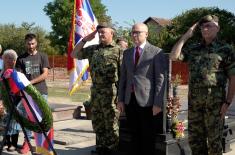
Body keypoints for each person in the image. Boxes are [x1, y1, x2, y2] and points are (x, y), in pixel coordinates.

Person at [170, 15, 235, 155]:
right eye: (202, 27)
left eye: (208, 26)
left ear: (217, 28)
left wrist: (228, 102)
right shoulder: (194, 49)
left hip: (215, 105)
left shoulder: (225, 49)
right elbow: (174, 57)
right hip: (195, 105)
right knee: (195, 141)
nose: (204, 29)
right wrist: (186, 36)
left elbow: (233, 77)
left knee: (214, 143)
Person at [71, 22, 123, 155]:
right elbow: (74, 54)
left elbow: (123, 75)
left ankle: (113, 150)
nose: (100, 35)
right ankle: (101, 148)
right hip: (96, 92)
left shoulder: (118, 50)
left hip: (111, 92)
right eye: (99, 32)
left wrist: (120, 98)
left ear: (112, 33)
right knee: (98, 122)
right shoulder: (93, 49)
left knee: (111, 123)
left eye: (103, 32)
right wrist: (84, 40)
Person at [117, 23, 166, 155]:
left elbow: (160, 80)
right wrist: (120, 99)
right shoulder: (127, 53)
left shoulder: (156, 52)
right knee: (134, 135)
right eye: (133, 32)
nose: (134, 35)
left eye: (138, 32)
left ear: (146, 34)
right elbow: (123, 78)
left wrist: (157, 103)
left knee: (148, 136)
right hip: (130, 100)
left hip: (148, 102)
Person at [15, 33, 53, 154]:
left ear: (36, 43)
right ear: (25, 43)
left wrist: (30, 83)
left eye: (33, 43)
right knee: (28, 118)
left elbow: (45, 74)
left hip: (41, 92)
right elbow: (19, 77)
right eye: (28, 43)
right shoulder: (21, 58)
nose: (31, 46)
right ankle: (28, 142)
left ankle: (43, 147)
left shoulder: (43, 56)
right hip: (27, 94)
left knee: (42, 119)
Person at [0, 49, 21, 152]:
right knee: (4, 122)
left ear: (15, 61)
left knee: (14, 123)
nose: (9, 60)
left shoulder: (17, 72)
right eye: (7, 58)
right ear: (3, 59)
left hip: (16, 101)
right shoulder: (1, 73)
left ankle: (13, 144)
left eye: (11, 58)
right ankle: (6, 142)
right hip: (4, 101)